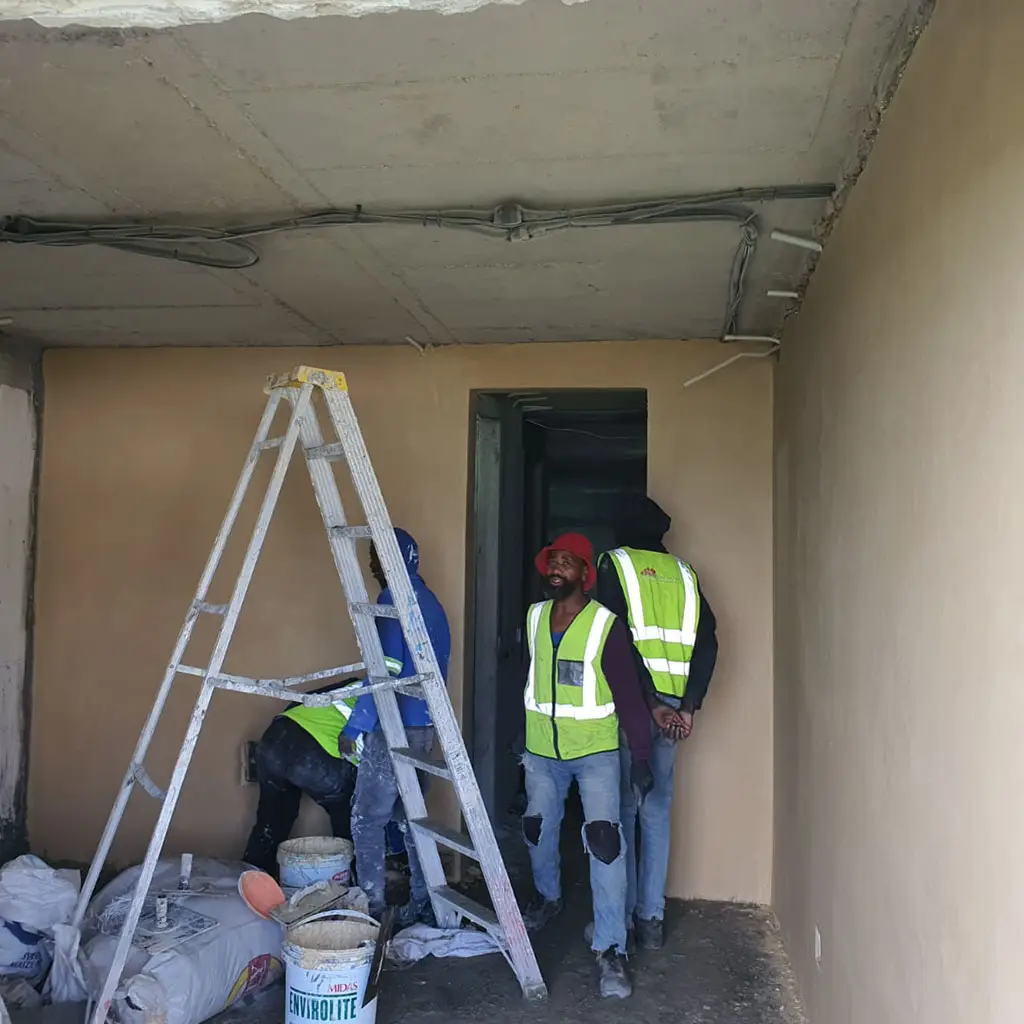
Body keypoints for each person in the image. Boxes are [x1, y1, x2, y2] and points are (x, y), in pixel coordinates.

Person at [519, 532, 661, 1000]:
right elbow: (533, 678)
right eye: (552, 561)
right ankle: (548, 897)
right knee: (537, 829)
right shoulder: (535, 616)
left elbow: (629, 697)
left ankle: (611, 947)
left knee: (605, 843)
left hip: (596, 753)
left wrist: (641, 758)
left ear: (585, 573)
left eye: (566, 562)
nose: (556, 568)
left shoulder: (605, 626)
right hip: (542, 751)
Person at [596, 494, 719, 951]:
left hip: (633, 705)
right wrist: (687, 706)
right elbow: (708, 642)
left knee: (624, 810)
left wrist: (647, 704)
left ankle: (624, 921)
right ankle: (652, 919)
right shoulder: (685, 574)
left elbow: (614, 640)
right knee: (657, 811)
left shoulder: (615, 564)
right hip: (673, 710)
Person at [339, 528, 451, 927]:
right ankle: (424, 901)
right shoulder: (430, 602)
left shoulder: (391, 601)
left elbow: (383, 672)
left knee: (367, 819)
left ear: (391, 559)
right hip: (424, 724)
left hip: (393, 726)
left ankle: (370, 907)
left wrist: (355, 726)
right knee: (411, 818)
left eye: (375, 557)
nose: (371, 565)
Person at [242, 681, 361, 876]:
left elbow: (298, 702)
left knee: (271, 819)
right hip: (315, 754)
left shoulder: (352, 686)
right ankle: (356, 883)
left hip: (275, 738)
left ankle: (250, 878)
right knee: (353, 818)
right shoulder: (385, 696)